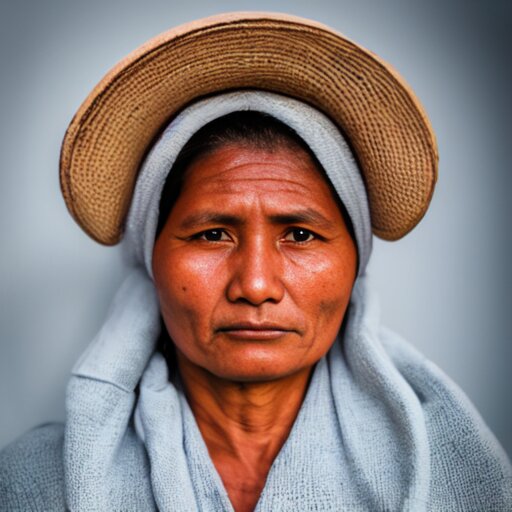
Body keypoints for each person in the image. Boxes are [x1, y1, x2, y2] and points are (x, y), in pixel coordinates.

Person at [1, 12, 511, 512]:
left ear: (355, 263)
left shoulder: (451, 471)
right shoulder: (35, 481)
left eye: (300, 234)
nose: (257, 284)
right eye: (213, 234)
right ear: (151, 259)